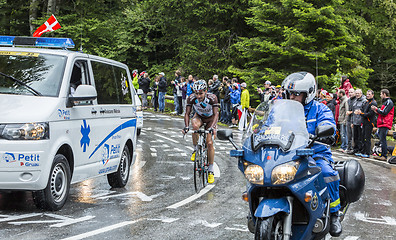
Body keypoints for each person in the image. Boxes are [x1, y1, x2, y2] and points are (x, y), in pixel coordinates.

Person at [282, 71, 342, 237]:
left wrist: (325, 131)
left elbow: (329, 125)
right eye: (289, 93)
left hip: (315, 154)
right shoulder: (283, 109)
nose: (292, 97)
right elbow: (268, 124)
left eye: (296, 94)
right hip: (288, 155)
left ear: (308, 94)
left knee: (328, 173)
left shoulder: (320, 109)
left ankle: (335, 214)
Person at [182, 80, 219, 184]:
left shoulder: (212, 98)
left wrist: (212, 127)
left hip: (211, 119)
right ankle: (195, 149)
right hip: (199, 117)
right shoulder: (191, 98)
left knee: (210, 143)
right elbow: (187, 113)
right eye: (196, 93)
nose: (198, 96)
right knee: (194, 126)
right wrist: (186, 126)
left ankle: (211, 170)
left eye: (201, 93)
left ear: (205, 91)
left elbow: (216, 114)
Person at [371, 89, 394, 161]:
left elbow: (384, 112)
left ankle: (384, 155)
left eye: (381, 94)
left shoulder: (389, 102)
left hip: (385, 123)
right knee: (380, 138)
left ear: (384, 94)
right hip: (381, 123)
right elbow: (381, 113)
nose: (380, 96)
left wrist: (376, 109)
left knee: (383, 140)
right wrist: (376, 110)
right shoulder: (385, 102)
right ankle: (381, 154)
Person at [357, 90, 377, 158]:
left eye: (369, 94)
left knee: (367, 138)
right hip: (364, 122)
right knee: (362, 137)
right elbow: (362, 110)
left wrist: (361, 113)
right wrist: (360, 112)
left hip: (369, 122)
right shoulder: (366, 102)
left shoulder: (373, 103)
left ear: (372, 95)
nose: (367, 95)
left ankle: (368, 152)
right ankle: (362, 151)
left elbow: (370, 114)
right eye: (367, 94)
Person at [351, 89, 366, 155]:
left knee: (360, 137)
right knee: (355, 136)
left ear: (361, 93)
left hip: (360, 121)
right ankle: (355, 149)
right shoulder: (355, 101)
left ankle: (360, 149)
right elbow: (353, 112)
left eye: (358, 93)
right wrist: (352, 122)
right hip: (355, 121)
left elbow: (365, 112)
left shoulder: (364, 101)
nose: (357, 95)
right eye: (356, 93)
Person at [346, 88, 356, 153]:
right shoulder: (348, 100)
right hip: (348, 119)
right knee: (348, 134)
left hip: (354, 119)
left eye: (351, 92)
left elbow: (357, 110)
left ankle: (353, 148)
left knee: (353, 135)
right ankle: (348, 147)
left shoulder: (356, 100)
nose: (350, 94)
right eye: (349, 92)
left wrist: (351, 112)